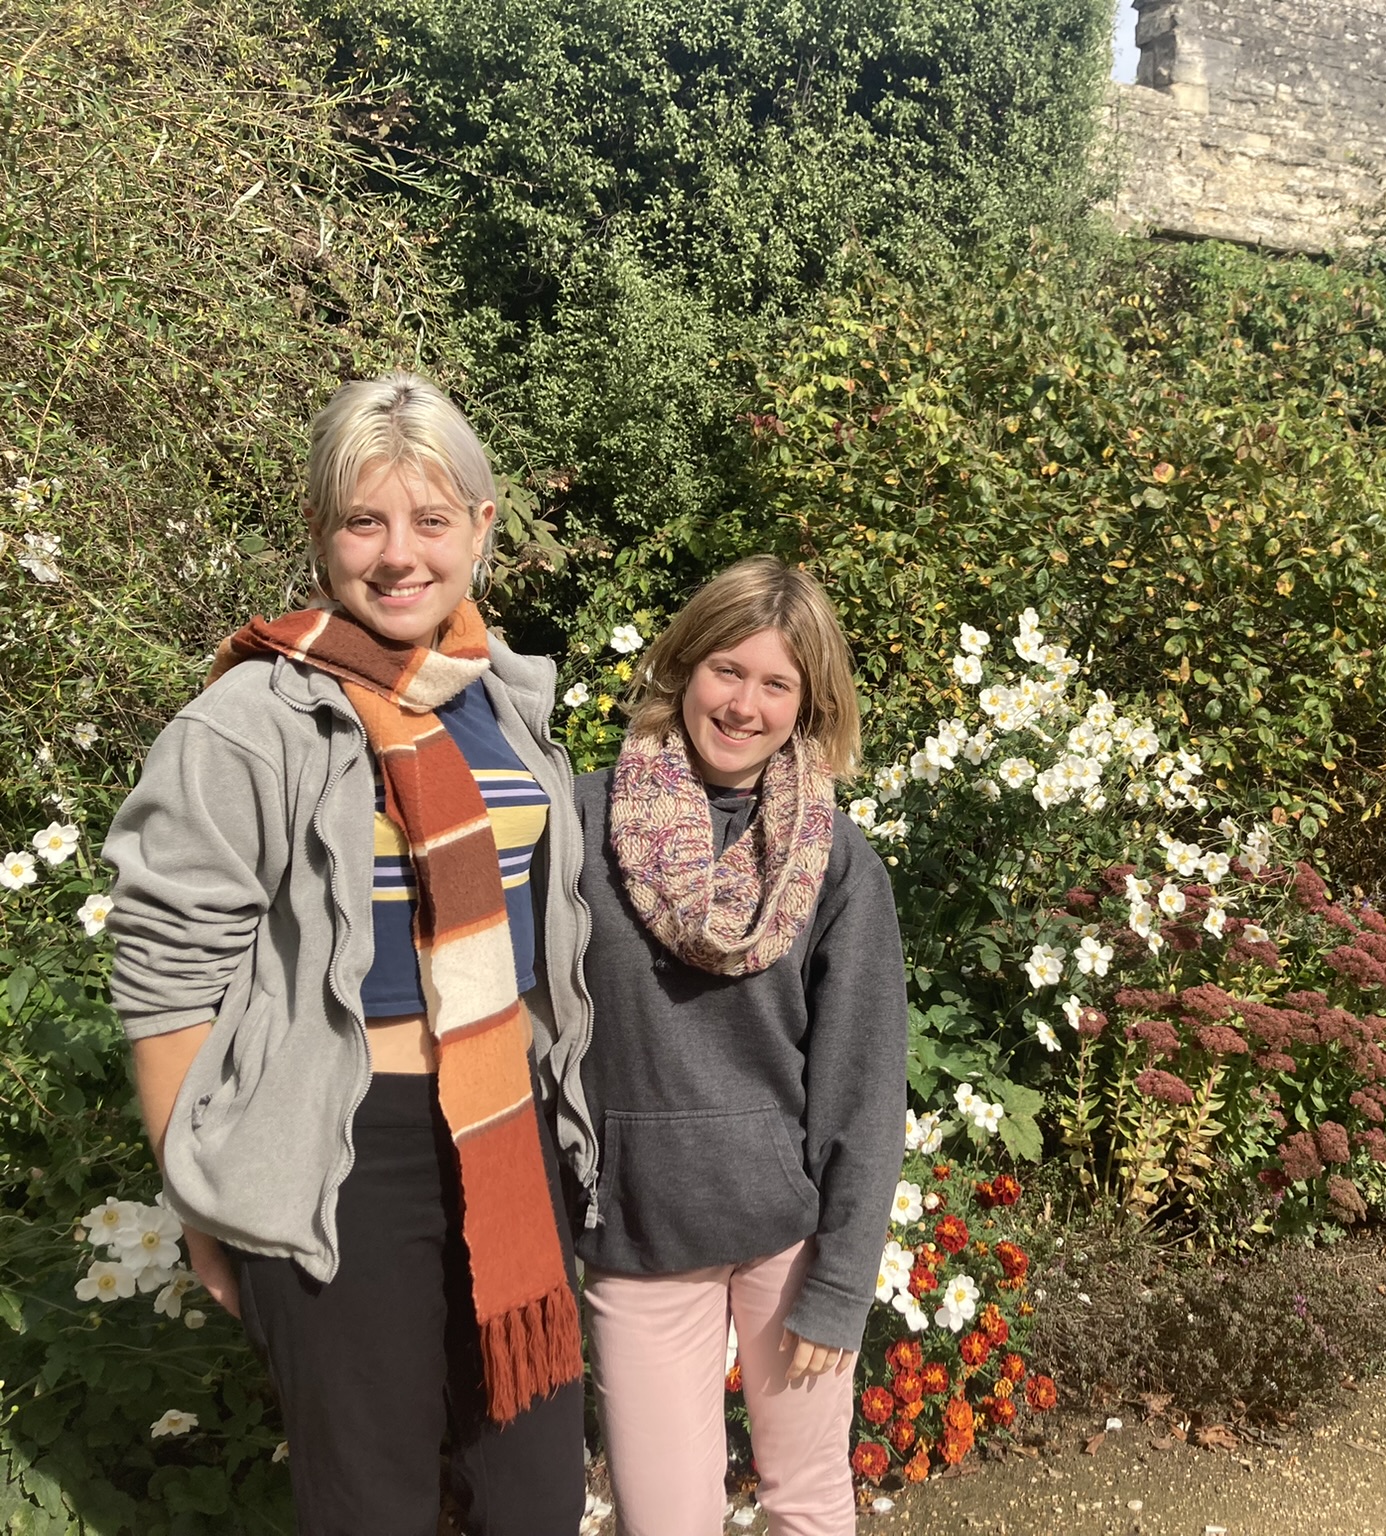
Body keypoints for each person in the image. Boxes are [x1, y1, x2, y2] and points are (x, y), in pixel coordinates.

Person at [104, 373, 593, 1535]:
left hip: (503, 1135)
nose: (398, 555)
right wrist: (200, 1198)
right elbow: (165, 971)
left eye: (431, 520)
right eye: (363, 521)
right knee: (369, 1503)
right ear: (320, 534)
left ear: (481, 527)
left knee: (533, 1500)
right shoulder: (251, 722)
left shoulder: (506, 704)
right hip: (344, 1149)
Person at [566, 555, 907, 1536]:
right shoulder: (579, 827)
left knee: (805, 1505)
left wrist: (840, 1289)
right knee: (663, 1520)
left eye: (775, 683)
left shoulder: (838, 864)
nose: (744, 703)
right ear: (683, 667)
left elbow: (863, 1091)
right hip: (637, 1236)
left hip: (784, 1244)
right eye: (727, 669)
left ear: (806, 704)